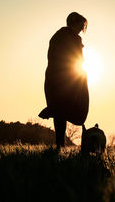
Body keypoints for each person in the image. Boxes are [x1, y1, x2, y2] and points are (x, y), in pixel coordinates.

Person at [38, 12, 89, 148]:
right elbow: (78, 58)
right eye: (80, 26)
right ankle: (60, 144)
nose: (80, 30)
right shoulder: (72, 38)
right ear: (74, 23)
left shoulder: (57, 36)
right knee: (64, 109)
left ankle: (59, 144)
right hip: (65, 78)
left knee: (59, 112)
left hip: (54, 77)